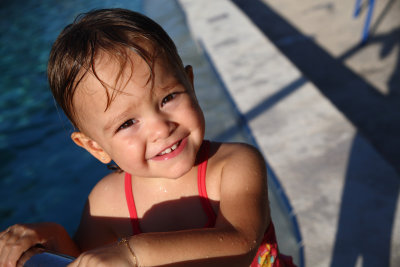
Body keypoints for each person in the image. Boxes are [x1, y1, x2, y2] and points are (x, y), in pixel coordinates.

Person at [0, 8, 295, 267]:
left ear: (190, 85)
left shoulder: (233, 165)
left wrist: (132, 255)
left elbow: (241, 243)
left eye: (168, 97)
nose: (160, 128)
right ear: (94, 146)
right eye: (128, 122)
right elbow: (88, 261)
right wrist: (50, 236)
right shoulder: (107, 203)